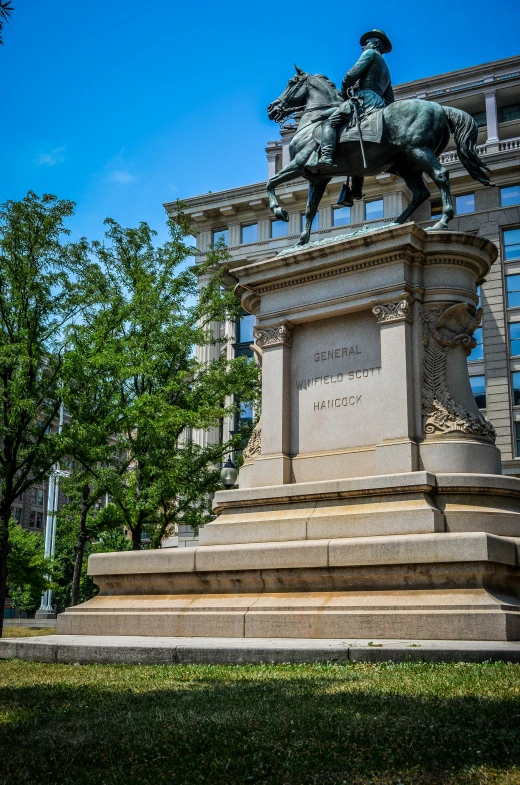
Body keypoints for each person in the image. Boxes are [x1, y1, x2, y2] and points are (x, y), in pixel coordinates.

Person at [317, 29, 394, 205]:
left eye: (367, 42)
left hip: (363, 99)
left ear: (375, 44)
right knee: (356, 144)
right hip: (379, 104)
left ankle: (326, 157)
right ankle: (356, 189)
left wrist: (345, 89)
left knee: (330, 121)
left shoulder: (370, 54)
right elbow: (390, 99)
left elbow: (350, 75)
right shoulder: (386, 70)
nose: (363, 46)